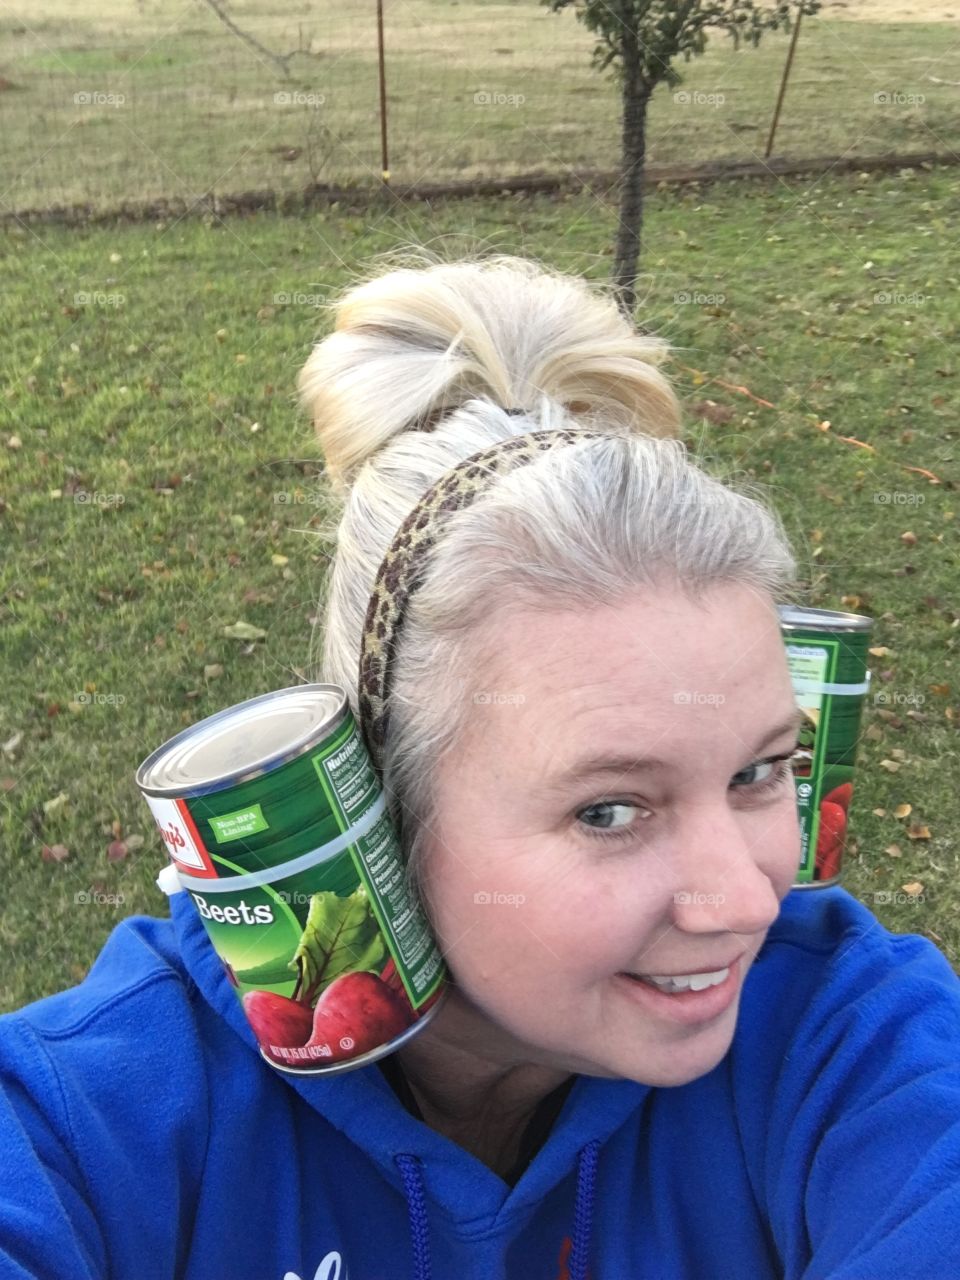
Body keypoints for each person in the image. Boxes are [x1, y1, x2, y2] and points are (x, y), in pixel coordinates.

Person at [0, 254, 958, 1280]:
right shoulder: (91, 1119)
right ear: (377, 805)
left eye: (759, 771)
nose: (746, 901)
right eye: (610, 809)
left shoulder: (852, 1041)